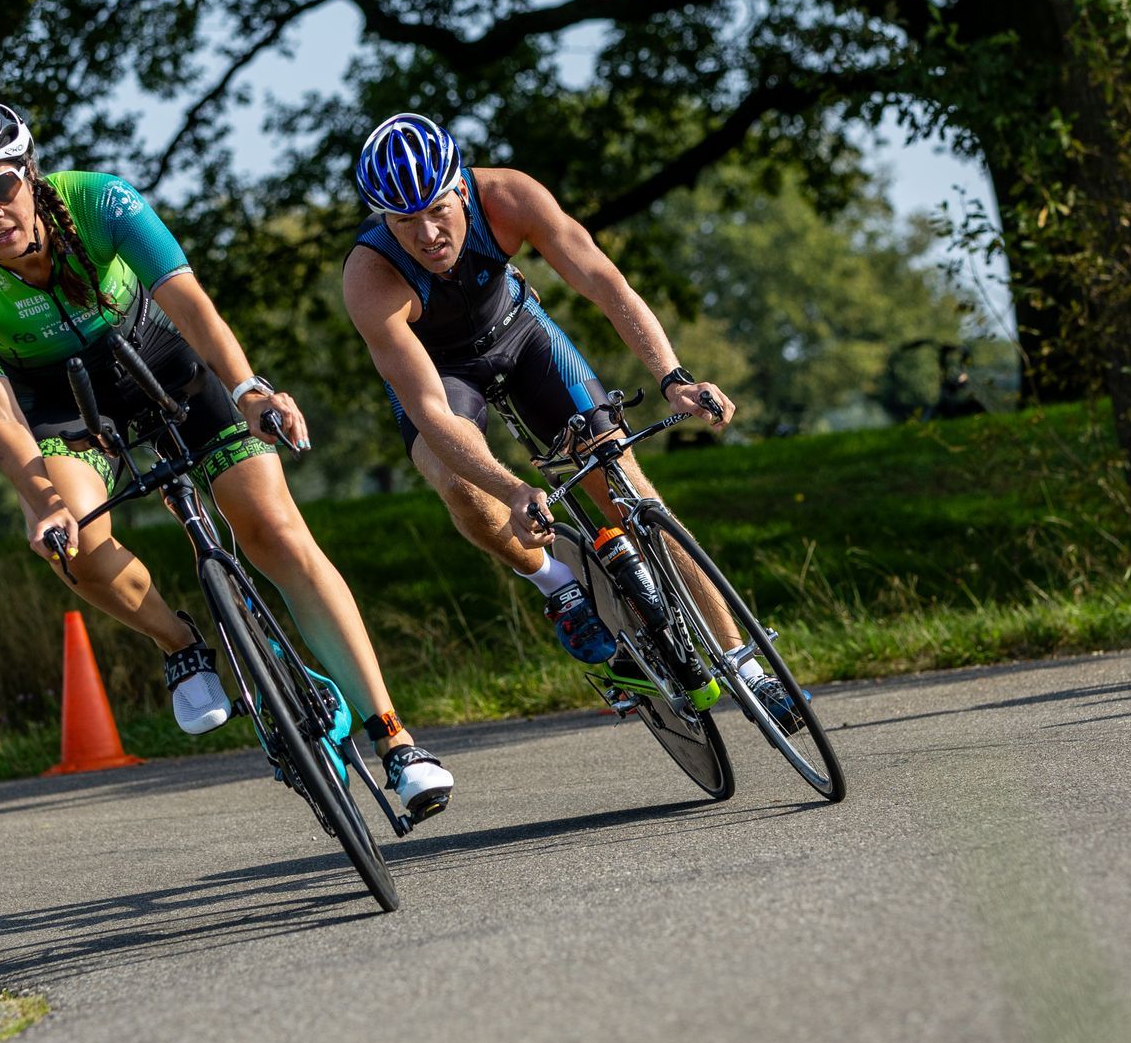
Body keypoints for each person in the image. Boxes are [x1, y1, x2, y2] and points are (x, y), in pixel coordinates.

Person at [0, 97, 456, 818]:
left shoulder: (101, 199)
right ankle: (180, 643)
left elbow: (189, 302)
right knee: (72, 543)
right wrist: (42, 501)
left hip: (157, 357)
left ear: (30, 172)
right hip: (59, 399)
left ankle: (396, 740)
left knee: (274, 529)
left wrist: (249, 387)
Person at [340, 112, 803, 729]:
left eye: (437, 210)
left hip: (519, 333)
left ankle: (745, 664)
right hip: (439, 372)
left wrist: (674, 377)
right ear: (382, 220)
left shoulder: (508, 197)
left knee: (625, 486)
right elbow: (429, 409)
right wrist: (513, 489)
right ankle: (557, 585)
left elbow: (604, 282)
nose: (427, 234)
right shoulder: (370, 276)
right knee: (457, 482)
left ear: (461, 188)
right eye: (403, 221)